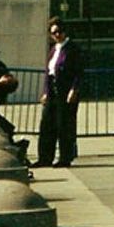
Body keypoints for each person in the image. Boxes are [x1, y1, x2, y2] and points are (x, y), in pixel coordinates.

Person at [36, 18, 83, 168]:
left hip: (66, 91)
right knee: (47, 125)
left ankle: (65, 158)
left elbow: (79, 72)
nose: (56, 35)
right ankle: (45, 158)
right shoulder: (53, 49)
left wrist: (74, 89)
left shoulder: (72, 49)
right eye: (53, 33)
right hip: (52, 91)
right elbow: (49, 72)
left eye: (59, 32)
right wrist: (45, 92)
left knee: (65, 125)